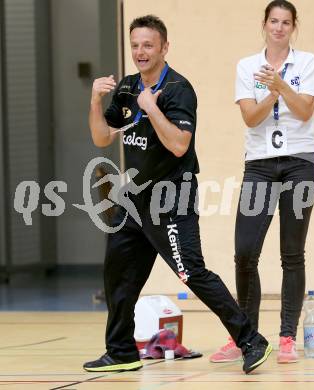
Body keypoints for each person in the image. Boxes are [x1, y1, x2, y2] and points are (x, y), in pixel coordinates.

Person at [83, 15, 272, 374]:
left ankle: (251, 340)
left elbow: (179, 145)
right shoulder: (126, 88)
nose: (140, 52)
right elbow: (101, 137)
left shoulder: (178, 90)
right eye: (135, 45)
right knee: (118, 271)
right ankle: (121, 350)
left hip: (170, 197)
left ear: (164, 48)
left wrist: (151, 109)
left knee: (192, 272)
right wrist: (95, 100)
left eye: (148, 45)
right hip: (134, 198)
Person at [210, 0, 314, 364]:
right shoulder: (246, 66)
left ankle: (287, 336)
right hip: (259, 166)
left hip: (299, 163)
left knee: (292, 252)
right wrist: (272, 91)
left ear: (293, 27)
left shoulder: (307, 63)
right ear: (265, 24)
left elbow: (305, 111)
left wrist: (281, 85)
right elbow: (251, 119)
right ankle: (246, 335)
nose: (279, 27)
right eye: (274, 21)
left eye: (286, 22)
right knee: (245, 252)